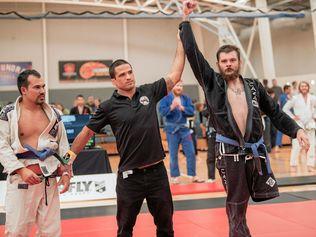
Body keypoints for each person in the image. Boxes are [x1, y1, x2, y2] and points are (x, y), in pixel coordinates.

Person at [179, 1, 310, 236]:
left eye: (232, 60)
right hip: (229, 152)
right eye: (224, 61)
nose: (228, 64)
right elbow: (192, 53)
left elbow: (275, 113)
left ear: (238, 62)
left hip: (255, 151)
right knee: (237, 201)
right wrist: (186, 19)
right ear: (218, 65)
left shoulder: (253, 86)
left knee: (254, 196)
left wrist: (297, 131)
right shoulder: (212, 83)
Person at [62, 34, 185, 237]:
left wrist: (181, 40)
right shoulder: (108, 107)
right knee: (124, 231)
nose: (128, 76)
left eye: (130, 72)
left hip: (158, 174)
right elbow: (85, 133)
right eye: (122, 75)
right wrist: (67, 161)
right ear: (114, 81)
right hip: (130, 178)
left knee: (166, 229)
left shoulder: (149, 92)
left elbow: (176, 73)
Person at [0, 69, 71, 236]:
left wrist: (67, 172)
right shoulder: (9, 113)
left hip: (49, 180)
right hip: (21, 181)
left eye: (43, 86)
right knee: (17, 231)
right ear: (24, 90)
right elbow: (1, 146)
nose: (42, 91)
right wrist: (20, 169)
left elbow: (64, 146)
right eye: (37, 87)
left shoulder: (54, 113)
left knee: (51, 232)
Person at [159, 81, 204, 184]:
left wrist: (183, 108)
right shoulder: (166, 98)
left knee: (191, 152)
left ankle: (193, 175)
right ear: (172, 87)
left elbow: (192, 111)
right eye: (177, 85)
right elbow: (162, 112)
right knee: (173, 154)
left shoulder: (186, 98)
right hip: (172, 130)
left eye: (181, 85)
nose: (179, 87)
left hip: (185, 130)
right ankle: (175, 176)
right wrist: (172, 107)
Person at [283, 81, 316, 172]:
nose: (304, 88)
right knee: (296, 145)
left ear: (308, 87)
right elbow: (285, 109)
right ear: (299, 88)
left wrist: (314, 115)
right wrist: (293, 117)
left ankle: (310, 165)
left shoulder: (313, 98)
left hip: (310, 124)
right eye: (302, 86)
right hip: (298, 125)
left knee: (312, 145)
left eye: (305, 86)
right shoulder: (295, 98)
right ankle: (293, 164)